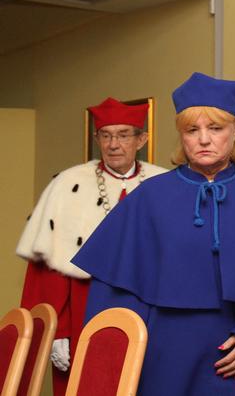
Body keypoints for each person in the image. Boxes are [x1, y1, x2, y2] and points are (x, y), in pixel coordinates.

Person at [72, 73, 235, 395]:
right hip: (162, 356)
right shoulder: (150, 197)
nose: (204, 140)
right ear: (181, 135)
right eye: (192, 130)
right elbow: (114, 294)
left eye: (216, 128)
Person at [15, 97, 166, 396]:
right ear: (97, 140)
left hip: (152, 310)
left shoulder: (162, 182)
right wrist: (59, 330)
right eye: (105, 136)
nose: (113, 144)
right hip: (85, 309)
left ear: (141, 139)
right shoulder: (68, 183)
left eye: (123, 135)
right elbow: (49, 268)